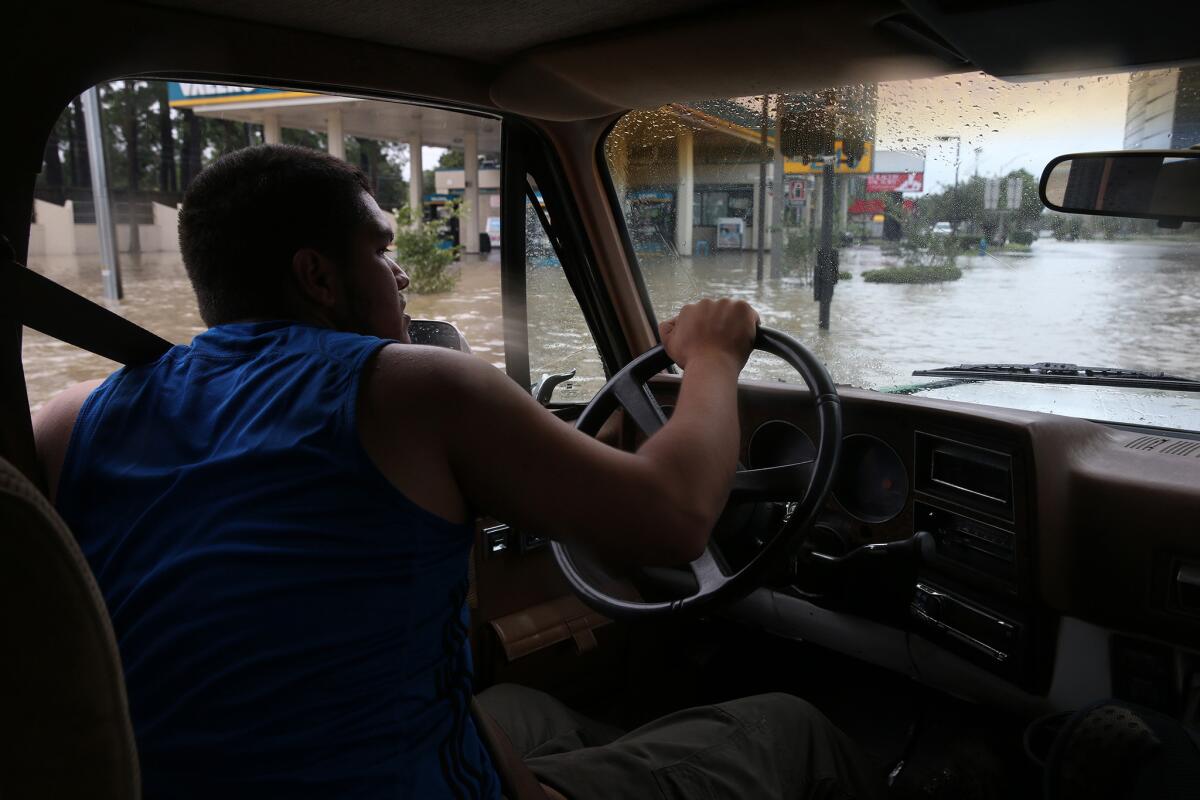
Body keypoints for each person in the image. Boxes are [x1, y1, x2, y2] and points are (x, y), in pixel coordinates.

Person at [32, 144, 882, 799]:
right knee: (791, 728)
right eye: (381, 249)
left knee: (538, 713)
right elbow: (677, 513)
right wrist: (711, 358)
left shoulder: (71, 419)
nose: (401, 273)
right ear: (317, 276)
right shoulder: (410, 386)